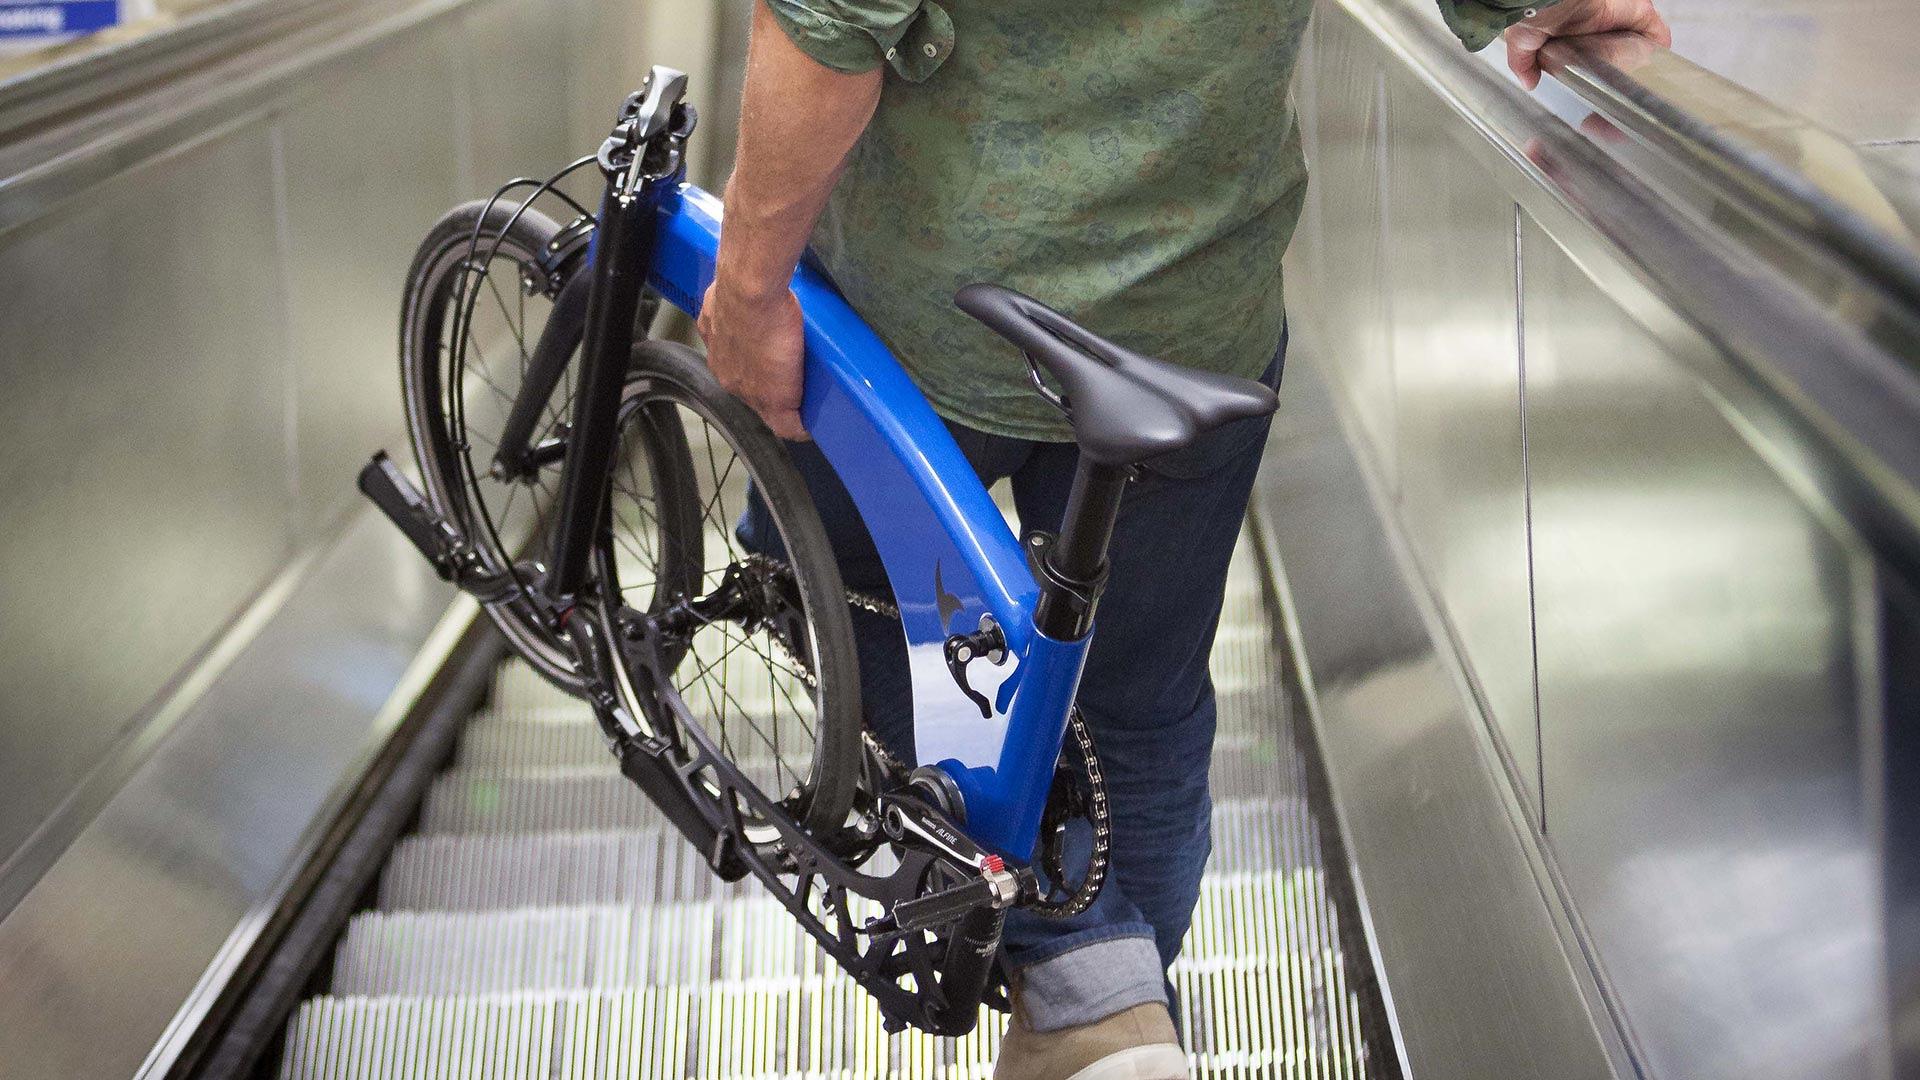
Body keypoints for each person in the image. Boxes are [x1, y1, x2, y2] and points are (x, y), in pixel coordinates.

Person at [701, 0, 1670, 1075]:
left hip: (925, 326)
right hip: (1190, 329)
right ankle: (1112, 1025)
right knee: (1139, 707)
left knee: (828, 587)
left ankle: (1087, 992)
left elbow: (830, 22)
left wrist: (747, 284)